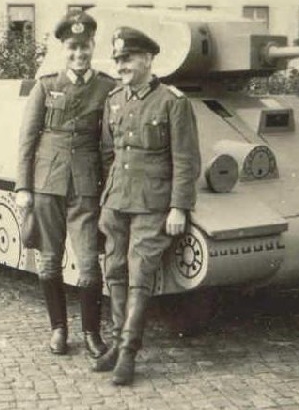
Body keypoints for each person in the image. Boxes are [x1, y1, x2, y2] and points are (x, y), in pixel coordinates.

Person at [92, 26, 201, 385]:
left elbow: (185, 160)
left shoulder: (172, 101)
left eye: (128, 59)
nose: (121, 66)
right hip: (117, 201)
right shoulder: (114, 99)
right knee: (114, 271)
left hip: (152, 204)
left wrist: (179, 207)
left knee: (140, 276)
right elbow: (109, 154)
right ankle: (116, 341)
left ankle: (128, 352)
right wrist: (108, 197)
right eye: (118, 59)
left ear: (149, 59)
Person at [15, 10, 116, 358]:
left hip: (86, 187)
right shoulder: (45, 86)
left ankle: (91, 333)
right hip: (47, 185)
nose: (79, 54)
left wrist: (109, 190)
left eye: (84, 47)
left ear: (93, 46)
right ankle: (58, 329)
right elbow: (27, 141)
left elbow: (109, 146)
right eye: (72, 47)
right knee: (49, 261)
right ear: (63, 49)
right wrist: (23, 187)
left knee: (89, 263)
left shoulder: (106, 88)